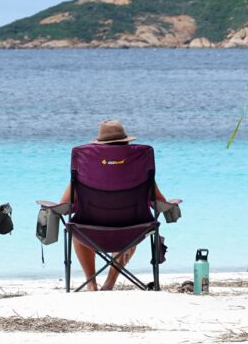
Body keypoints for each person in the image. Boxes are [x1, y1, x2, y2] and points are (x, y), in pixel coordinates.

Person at [58, 120, 172, 291]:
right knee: (137, 225)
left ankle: (91, 284)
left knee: (76, 228)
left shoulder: (85, 170)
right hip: (131, 233)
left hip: (90, 233)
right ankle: (109, 283)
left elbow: (64, 204)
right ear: (126, 143)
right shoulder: (139, 167)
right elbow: (160, 202)